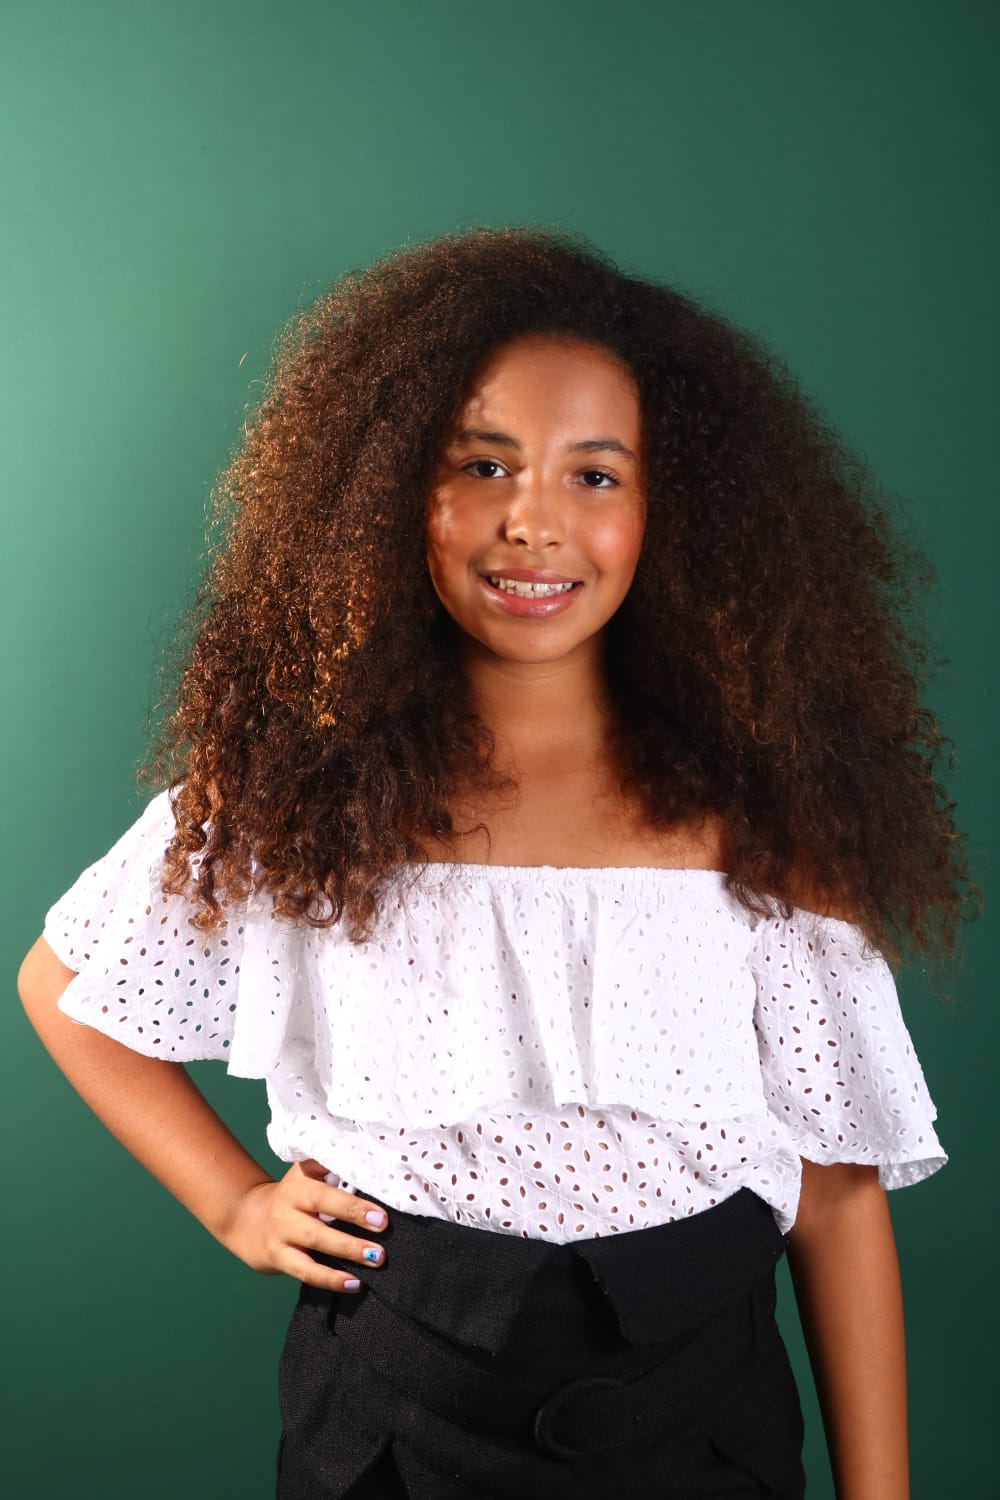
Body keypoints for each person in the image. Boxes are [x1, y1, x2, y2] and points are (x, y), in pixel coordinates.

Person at [19, 227, 970, 1500]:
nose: (535, 522)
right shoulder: (292, 798)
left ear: (672, 513)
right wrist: (236, 1205)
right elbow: (63, 991)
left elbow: (838, 1195)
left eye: (596, 474)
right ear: (383, 496)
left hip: (704, 1418)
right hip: (393, 1414)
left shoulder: (761, 822)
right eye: (481, 465)